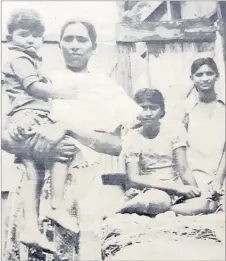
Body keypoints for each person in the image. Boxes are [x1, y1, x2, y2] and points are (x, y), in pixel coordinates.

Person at [2, 18, 142, 260]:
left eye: (82, 39)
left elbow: (115, 145)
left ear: (93, 46)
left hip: (80, 185)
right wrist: (47, 151)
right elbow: (6, 140)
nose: (74, 45)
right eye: (68, 39)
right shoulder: (42, 81)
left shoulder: (105, 87)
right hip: (34, 187)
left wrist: (68, 128)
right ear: (59, 45)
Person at [1, 9, 84, 253]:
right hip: (31, 115)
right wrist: (63, 92)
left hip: (22, 116)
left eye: (35, 36)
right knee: (63, 148)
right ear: (10, 38)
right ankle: (56, 205)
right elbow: (34, 88)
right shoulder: (20, 59)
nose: (30, 40)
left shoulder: (30, 59)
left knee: (33, 172)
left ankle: (30, 227)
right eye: (23, 35)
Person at [117, 88, 221, 216]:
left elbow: (184, 169)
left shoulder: (174, 130)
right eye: (143, 108)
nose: (148, 113)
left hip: (175, 188)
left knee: (208, 203)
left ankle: (164, 212)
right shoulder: (132, 137)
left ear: (161, 111)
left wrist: (195, 192)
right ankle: (124, 208)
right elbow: (134, 178)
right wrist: (175, 188)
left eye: (153, 108)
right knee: (160, 200)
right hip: (149, 190)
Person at [173, 57, 225, 213]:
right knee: (202, 206)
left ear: (217, 76)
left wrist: (218, 180)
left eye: (209, 73)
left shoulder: (223, 106)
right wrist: (195, 187)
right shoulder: (184, 109)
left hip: (221, 173)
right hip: (194, 176)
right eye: (199, 74)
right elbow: (179, 154)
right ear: (192, 78)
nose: (205, 78)